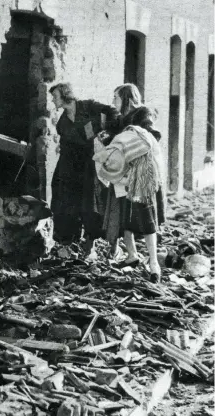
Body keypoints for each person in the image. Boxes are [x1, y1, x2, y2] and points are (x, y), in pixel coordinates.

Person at [93, 83, 165, 281]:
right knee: (125, 214)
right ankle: (132, 255)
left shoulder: (142, 114)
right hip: (123, 174)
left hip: (141, 173)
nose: (113, 102)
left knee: (146, 216)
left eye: (116, 98)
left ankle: (153, 263)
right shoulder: (120, 119)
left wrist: (133, 135)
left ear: (126, 98)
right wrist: (105, 137)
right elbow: (113, 141)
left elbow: (154, 136)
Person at [49, 82, 119, 257]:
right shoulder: (62, 123)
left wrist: (106, 134)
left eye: (55, 96)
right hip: (70, 166)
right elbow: (64, 146)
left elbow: (113, 113)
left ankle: (90, 243)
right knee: (64, 200)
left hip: (90, 164)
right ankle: (69, 242)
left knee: (91, 203)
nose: (53, 100)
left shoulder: (89, 107)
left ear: (65, 95)